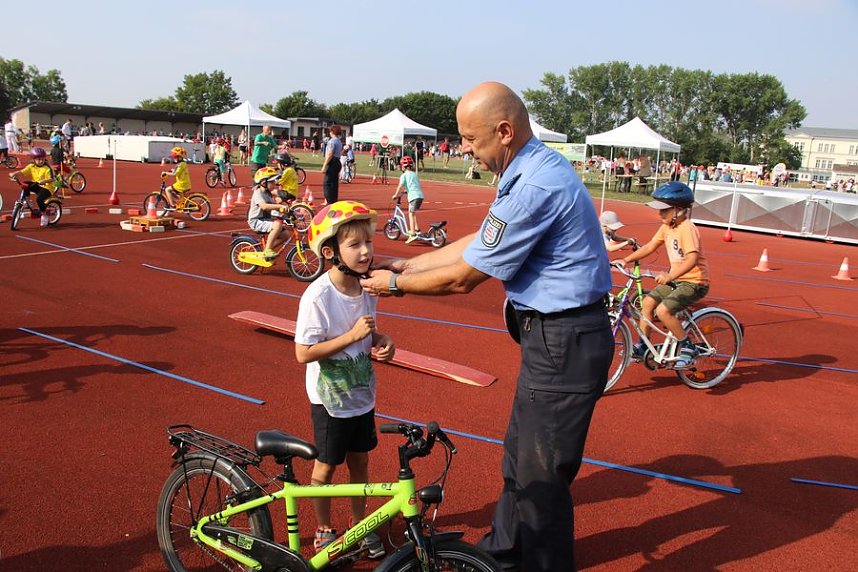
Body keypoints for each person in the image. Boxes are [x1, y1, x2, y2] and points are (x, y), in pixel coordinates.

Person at [359, 81, 613, 572]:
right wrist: (407, 265)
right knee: (521, 456)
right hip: (552, 341)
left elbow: (462, 279)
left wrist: (393, 286)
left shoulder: (535, 183)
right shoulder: (530, 169)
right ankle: (504, 552)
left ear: (504, 131)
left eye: (472, 140)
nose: (466, 150)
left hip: (564, 340)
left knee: (543, 476)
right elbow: (480, 241)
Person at [294, 200, 394, 559]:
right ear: (329, 252)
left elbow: (369, 333)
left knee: (360, 464)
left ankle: (359, 525)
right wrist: (352, 337)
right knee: (326, 467)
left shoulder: (365, 288)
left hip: (361, 397)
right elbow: (303, 353)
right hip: (330, 401)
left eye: (369, 242)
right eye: (354, 245)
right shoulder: (318, 296)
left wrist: (382, 342)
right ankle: (322, 528)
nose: (366, 251)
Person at [614, 181, 709, 369]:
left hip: (695, 282)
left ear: (679, 210)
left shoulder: (687, 229)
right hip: (677, 280)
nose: (659, 214)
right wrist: (626, 260)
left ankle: (688, 347)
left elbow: (691, 260)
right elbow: (650, 246)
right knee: (647, 303)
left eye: (664, 210)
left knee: (663, 311)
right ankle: (643, 346)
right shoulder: (667, 228)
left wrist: (670, 276)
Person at [247, 166, 290, 259]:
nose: (275, 183)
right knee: (277, 225)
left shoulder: (268, 194)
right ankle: (267, 250)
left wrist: (288, 212)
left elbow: (275, 209)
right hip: (256, 221)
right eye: (272, 181)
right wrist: (280, 206)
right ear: (263, 182)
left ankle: (267, 248)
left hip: (266, 220)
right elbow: (264, 206)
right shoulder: (258, 193)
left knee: (286, 235)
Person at [9, 147, 55, 227]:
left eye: (42, 159)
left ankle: (44, 214)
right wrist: (14, 174)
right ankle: (26, 201)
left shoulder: (47, 168)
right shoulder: (31, 166)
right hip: (36, 185)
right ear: (34, 159)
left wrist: (43, 181)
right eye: (38, 159)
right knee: (25, 184)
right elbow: (22, 172)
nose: (41, 161)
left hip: (47, 188)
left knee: (39, 199)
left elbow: (51, 179)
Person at [392, 156, 424, 243]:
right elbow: (414, 184)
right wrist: (406, 191)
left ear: (403, 166)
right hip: (420, 196)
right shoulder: (414, 174)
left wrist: (395, 195)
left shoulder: (404, 175)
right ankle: (416, 229)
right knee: (413, 213)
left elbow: (400, 185)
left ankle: (412, 234)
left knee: (411, 214)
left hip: (413, 196)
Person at [320, 125, 343, 205]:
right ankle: (333, 200)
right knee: (334, 183)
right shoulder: (339, 141)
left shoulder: (332, 141)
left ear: (332, 132)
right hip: (337, 162)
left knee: (327, 183)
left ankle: (329, 201)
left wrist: (324, 165)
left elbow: (330, 154)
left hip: (332, 162)